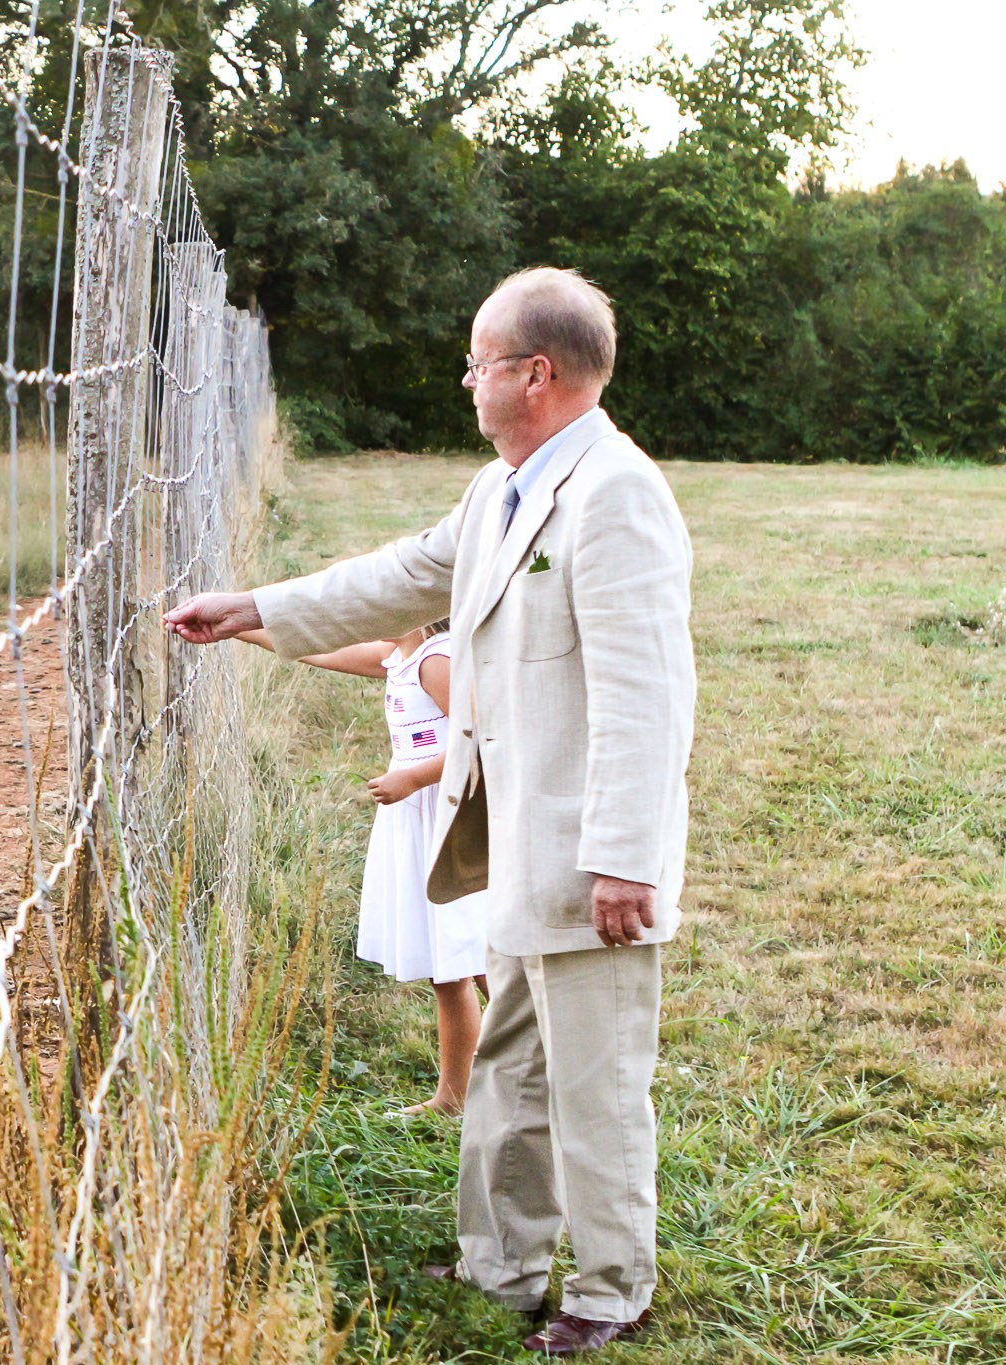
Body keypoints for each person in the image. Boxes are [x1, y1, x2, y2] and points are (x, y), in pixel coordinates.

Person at [164, 267, 694, 1356]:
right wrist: (255, 608)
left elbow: (649, 696)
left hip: (589, 857)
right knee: (509, 1063)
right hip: (512, 839)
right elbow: (402, 575)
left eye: (474, 361)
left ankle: (608, 1289)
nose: (464, 380)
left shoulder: (613, 494)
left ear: (530, 374)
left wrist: (624, 863)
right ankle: (499, 1265)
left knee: (592, 1083)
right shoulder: (498, 487)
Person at [238, 620, 488, 1118]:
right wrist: (241, 627)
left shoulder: (435, 660)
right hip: (418, 818)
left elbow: (480, 741)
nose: (366, 611)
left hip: (447, 817)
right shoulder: (395, 655)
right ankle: (454, 1098)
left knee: (481, 958)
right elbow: (318, 645)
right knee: (452, 967)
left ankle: (538, 1076)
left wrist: (413, 777)